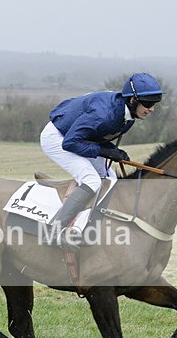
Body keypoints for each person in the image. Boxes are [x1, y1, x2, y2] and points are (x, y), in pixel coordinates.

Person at [39, 72, 164, 249]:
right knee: (92, 180)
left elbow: (98, 136)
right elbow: (70, 143)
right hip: (58, 138)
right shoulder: (104, 115)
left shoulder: (128, 116)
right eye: (148, 104)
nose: (152, 109)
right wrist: (103, 151)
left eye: (154, 104)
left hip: (81, 138)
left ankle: (94, 228)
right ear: (132, 100)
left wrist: (113, 150)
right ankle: (54, 232)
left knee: (111, 181)